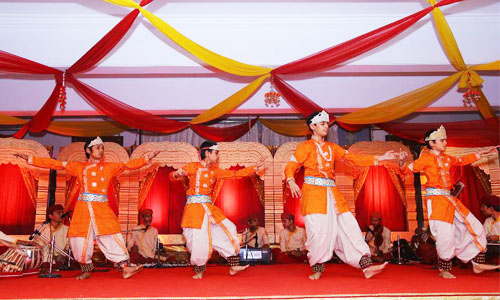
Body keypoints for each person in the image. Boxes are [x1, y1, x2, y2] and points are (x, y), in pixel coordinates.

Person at [15, 137, 160, 280]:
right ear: (88, 150)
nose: (101, 150)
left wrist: (147, 158)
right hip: (83, 210)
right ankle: (86, 270)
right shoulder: (79, 167)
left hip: (102, 209)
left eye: (102, 148)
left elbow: (129, 164)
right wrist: (30, 159)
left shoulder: (109, 167)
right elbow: (55, 164)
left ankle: (125, 268)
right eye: (98, 148)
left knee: (111, 235)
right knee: (79, 240)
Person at [285, 110, 399, 280]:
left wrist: (380, 157)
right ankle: (317, 268)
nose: (326, 127)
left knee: (350, 228)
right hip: (314, 196)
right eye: (322, 124)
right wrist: (290, 180)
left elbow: (353, 158)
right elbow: (292, 165)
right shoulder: (305, 147)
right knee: (318, 234)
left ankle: (366, 266)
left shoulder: (332, 148)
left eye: (326, 124)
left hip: (333, 195)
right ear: (312, 126)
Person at [399, 126, 499, 278]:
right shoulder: (425, 159)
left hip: (451, 200)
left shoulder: (447, 158)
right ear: (431, 143)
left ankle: (477, 263)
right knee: (445, 234)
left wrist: (478, 154)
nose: (445, 142)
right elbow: (407, 170)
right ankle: (444, 269)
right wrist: (401, 162)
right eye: (442, 140)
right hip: (437, 201)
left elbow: (461, 160)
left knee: (473, 226)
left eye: (445, 139)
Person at [170, 141, 264, 279]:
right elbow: (173, 176)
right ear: (207, 153)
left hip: (208, 208)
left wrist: (254, 168)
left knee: (228, 228)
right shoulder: (192, 167)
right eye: (216, 153)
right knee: (198, 238)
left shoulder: (215, 170)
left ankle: (233, 265)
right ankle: (199, 270)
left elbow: (235, 174)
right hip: (194, 210)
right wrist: (177, 174)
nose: (218, 156)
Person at [35, 204, 69, 271]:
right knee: (45, 247)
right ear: (50, 216)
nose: (61, 215)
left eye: (62, 212)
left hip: (59, 258)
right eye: (58, 213)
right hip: (45, 258)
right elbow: (37, 244)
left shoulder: (67, 229)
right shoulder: (43, 229)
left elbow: (68, 246)